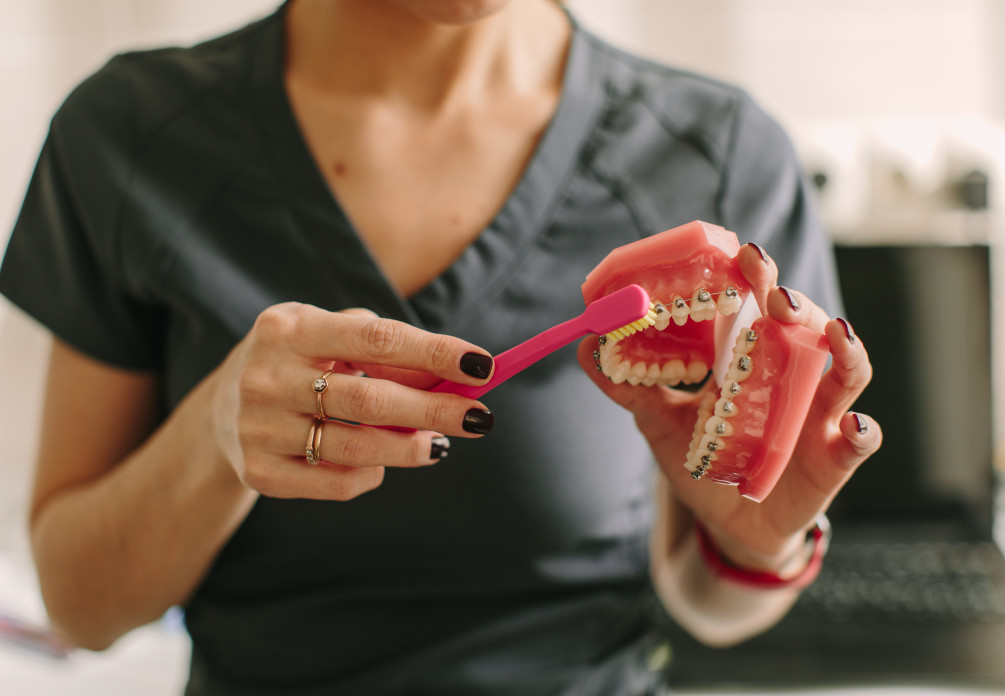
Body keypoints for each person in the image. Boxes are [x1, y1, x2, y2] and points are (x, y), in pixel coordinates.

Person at [0, 0, 880, 693]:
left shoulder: (719, 155)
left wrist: (753, 546)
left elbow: (711, 605)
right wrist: (213, 436)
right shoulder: (126, 135)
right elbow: (83, 607)